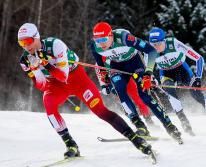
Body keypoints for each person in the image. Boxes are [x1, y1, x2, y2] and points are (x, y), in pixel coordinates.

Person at [17, 23, 154, 159]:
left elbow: (63, 76)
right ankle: (70, 144)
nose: (26, 46)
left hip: (77, 79)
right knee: (48, 104)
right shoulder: (25, 60)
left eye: (28, 41)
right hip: (55, 85)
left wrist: (46, 64)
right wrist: (36, 70)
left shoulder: (55, 45)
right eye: (21, 43)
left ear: (37, 37)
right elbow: (44, 87)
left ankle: (136, 140)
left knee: (100, 111)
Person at [89, 22, 182, 142]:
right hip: (116, 66)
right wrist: (103, 73)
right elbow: (99, 62)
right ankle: (140, 126)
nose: (101, 43)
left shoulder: (124, 38)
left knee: (144, 96)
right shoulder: (94, 45)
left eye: (103, 39)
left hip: (135, 63)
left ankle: (169, 126)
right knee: (120, 91)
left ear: (111, 35)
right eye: (98, 40)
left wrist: (148, 74)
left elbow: (151, 51)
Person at [148, 28, 206, 135]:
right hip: (166, 74)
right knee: (170, 89)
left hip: (183, 71)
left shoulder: (174, 44)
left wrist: (198, 78)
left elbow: (199, 58)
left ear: (164, 41)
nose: (155, 47)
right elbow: (147, 69)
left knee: (196, 94)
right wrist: (151, 79)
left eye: (158, 43)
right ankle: (183, 120)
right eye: (152, 44)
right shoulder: (149, 50)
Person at [95, 59, 156, 127]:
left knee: (138, 99)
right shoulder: (98, 63)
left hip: (126, 79)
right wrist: (104, 86)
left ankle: (149, 121)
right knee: (124, 102)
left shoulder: (115, 54)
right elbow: (100, 76)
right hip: (112, 83)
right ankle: (136, 122)